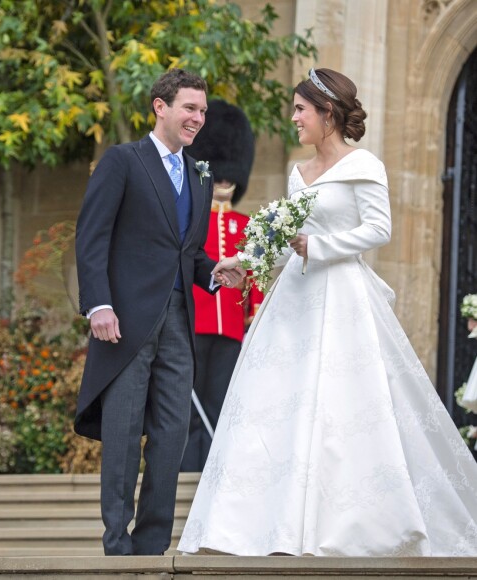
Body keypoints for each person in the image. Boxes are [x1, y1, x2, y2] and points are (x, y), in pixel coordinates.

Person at [178, 68, 477, 557]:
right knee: (278, 405)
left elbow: (379, 229)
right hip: (293, 299)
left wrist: (322, 246)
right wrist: (244, 263)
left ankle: (342, 525)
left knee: (343, 408)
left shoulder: (366, 166)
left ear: (327, 113)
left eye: (300, 109)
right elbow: (286, 244)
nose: (293, 118)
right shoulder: (297, 174)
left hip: (343, 298)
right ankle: (264, 528)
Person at [74, 68, 245, 556]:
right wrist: (99, 304)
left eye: (203, 111)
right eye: (190, 108)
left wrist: (217, 272)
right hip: (124, 323)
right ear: (161, 106)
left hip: (179, 320)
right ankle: (116, 545)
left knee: (172, 435)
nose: (198, 118)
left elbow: (186, 253)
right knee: (124, 432)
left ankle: (151, 547)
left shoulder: (200, 174)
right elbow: (92, 238)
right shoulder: (123, 161)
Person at [180, 100, 264, 472]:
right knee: (189, 401)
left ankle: (212, 470)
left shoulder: (247, 224)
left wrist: (254, 317)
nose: (226, 180)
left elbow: (256, 276)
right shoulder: (191, 216)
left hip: (231, 327)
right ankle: (185, 466)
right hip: (195, 321)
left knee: (219, 400)